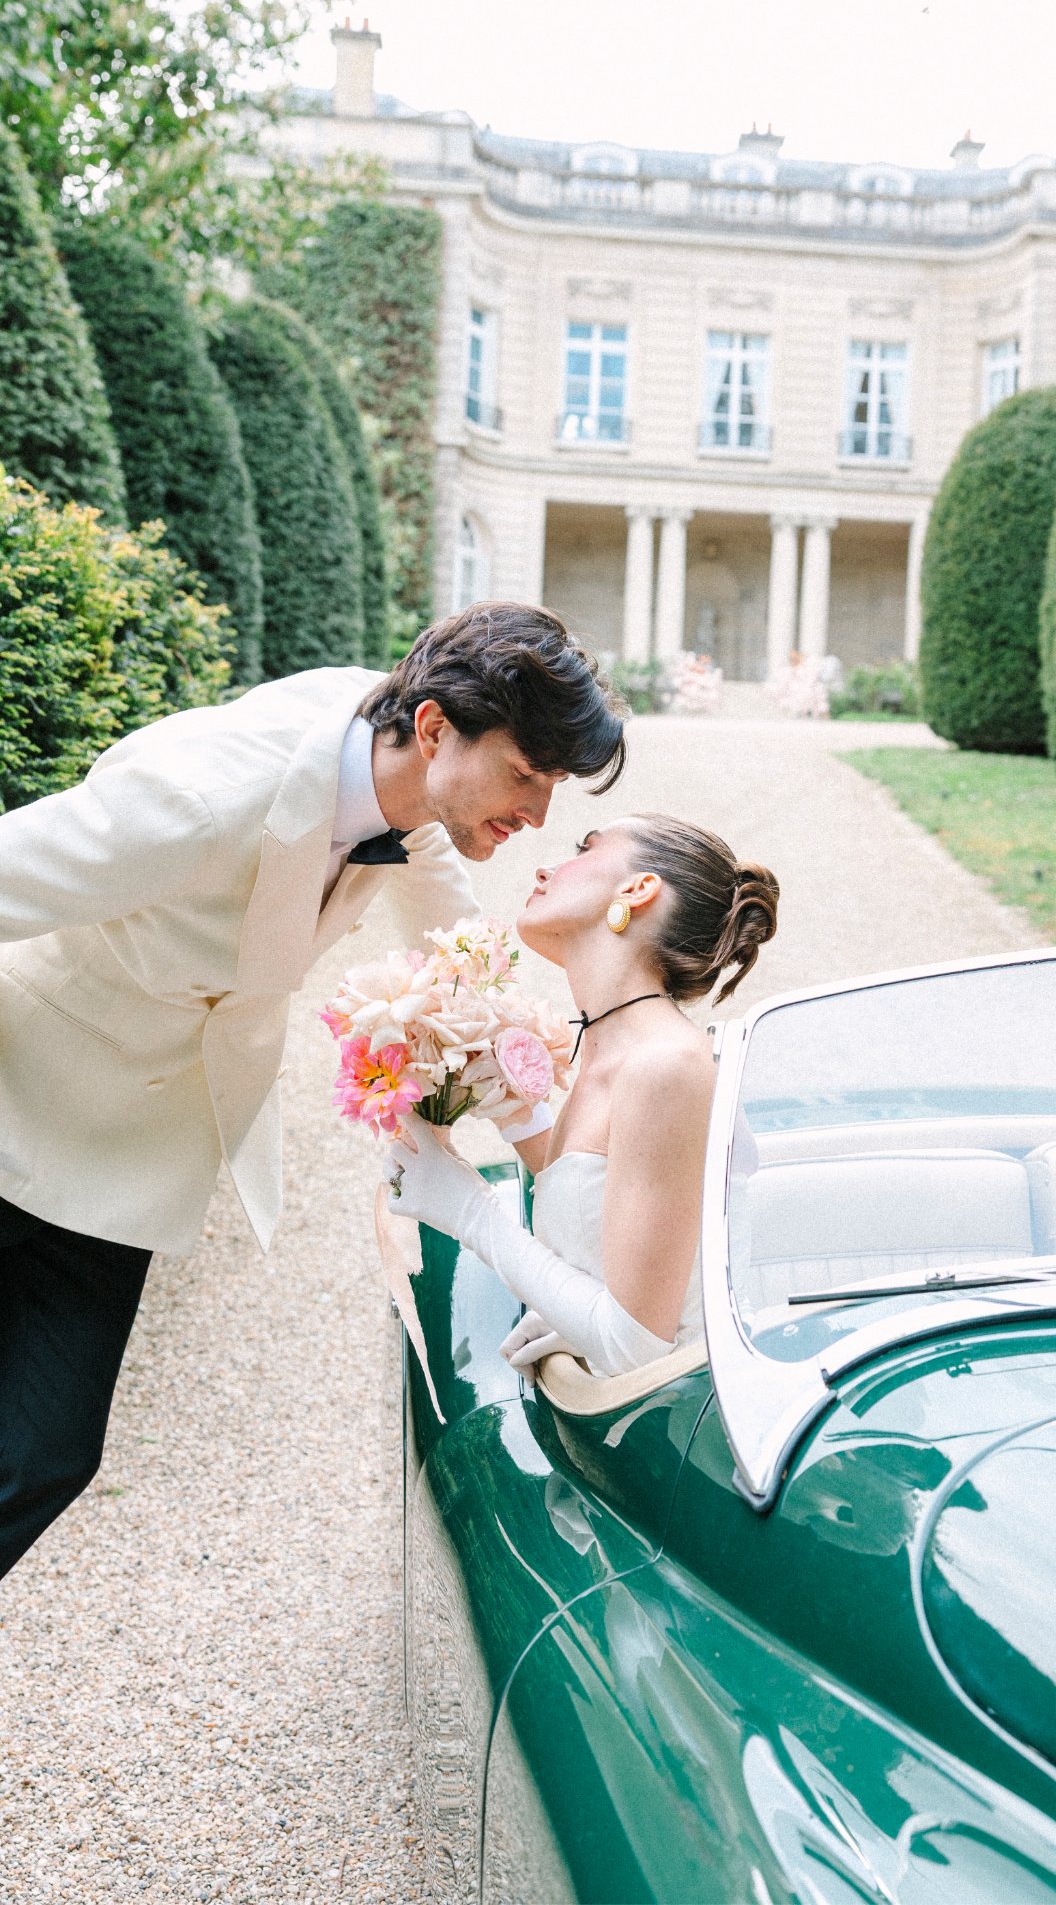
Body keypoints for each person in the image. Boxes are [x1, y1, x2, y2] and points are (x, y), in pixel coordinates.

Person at [0, 602, 625, 1580]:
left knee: (43, 1454)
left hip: (120, 1155)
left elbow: (465, 975)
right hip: (15, 1091)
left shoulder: (405, 789)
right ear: (434, 729)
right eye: (526, 774)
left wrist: (584, 1190)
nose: (539, 814)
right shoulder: (204, 796)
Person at [385, 814, 779, 1381]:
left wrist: (470, 1211)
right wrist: (573, 1311)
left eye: (584, 849)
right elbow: (593, 1216)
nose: (546, 868)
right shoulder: (612, 1049)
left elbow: (635, 1347)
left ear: (638, 889)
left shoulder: (667, 1064)